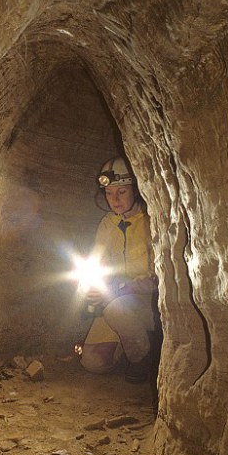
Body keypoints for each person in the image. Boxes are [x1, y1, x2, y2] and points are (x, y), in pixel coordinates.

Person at [80, 155, 159, 383]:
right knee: (93, 362)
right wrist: (91, 287)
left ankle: (142, 358)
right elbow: (97, 262)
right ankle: (131, 344)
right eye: (108, 193)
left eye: (121, 192)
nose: (114, 200)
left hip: (149, 304)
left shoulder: (152, 220)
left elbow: (159, 278)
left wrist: (123, 287)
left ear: (136, 189)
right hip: (116, 301)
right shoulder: (107, 224)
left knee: (116, 309)